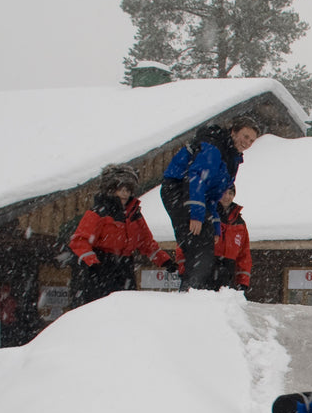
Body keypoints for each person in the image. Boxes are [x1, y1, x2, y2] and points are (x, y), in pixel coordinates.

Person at [159, 115, 261, 291]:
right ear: (233, 132)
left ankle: (195, 291)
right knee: (198, 243)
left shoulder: (232, 160)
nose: (247, 143)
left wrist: (214, 223)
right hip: (178, 188)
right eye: (245, 136)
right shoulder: (215, 148)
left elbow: (213, 196)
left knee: (205, 242)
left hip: (195, 194)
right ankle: (191, 293)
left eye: (251, 140)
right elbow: (197, 178)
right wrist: (196, 214)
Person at [69, 165, 176, 305]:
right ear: (111, 190)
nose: (125, 194)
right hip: (102, 265)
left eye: (128, 190)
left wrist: (164, 261)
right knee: (101, 306)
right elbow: (80, 241)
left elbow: (146, 242)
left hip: (125, 266)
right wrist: (92, 263)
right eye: (121, 189)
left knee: (125, 306)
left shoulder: (134, 214)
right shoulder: (98, 212)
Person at [176, 186, 251, 292]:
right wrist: (183, 269)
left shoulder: (239, 223)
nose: (227, 197)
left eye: (230, 193)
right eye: (224, 193)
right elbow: (184, 243)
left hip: (225, 276)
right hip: (200, 270)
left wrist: (242, 282)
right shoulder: (206, 214)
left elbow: (244, 255)